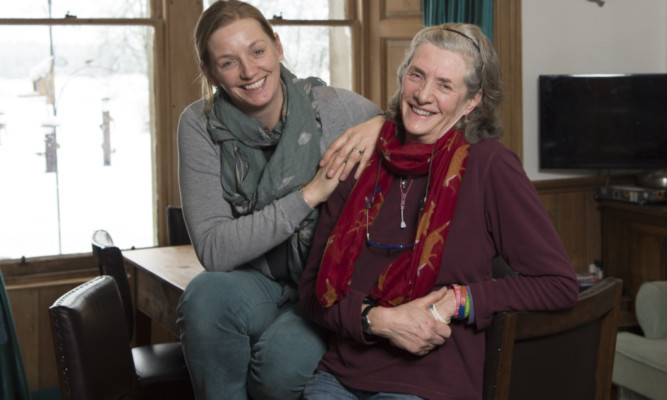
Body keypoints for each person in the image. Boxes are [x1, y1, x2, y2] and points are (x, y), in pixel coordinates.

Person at [298, 23, 580, 400]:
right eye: (417, 75)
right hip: (341, 376)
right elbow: (312, 292)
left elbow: (558, 284)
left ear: (471, 102)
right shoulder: (362, 155)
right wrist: (376, 320)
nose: (423, 95)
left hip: (433, 385)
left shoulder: (490, 166)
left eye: (445, 85)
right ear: (403, 77)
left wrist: (459, 300)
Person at [175, 1, 383, 399]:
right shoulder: (200, 125)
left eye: (257, 51)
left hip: (328, 282)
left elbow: (424, 131)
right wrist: (308, 196)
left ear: (277, 45)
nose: (250, 72)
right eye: (229, 62)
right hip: (259, 280)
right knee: (204, 298)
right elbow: (215, 250)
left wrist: (382, 122)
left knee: (279, 368)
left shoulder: (337, 108)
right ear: (209, 72)